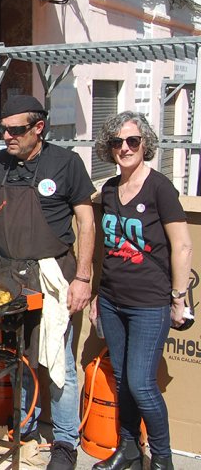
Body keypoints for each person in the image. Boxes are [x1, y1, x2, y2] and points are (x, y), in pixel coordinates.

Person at [0, 95, 95, 470]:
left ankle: (65, 442)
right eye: (3, 129)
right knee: (12, 355)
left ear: (39, 128)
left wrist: (83, 277)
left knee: (56, 359)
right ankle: (22, 427)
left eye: (15, 130)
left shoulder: (66, 163)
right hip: (3, 273)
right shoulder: (0, 163)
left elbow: (86, 221)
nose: (6, 137)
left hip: (48, 276)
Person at [90, 112, 192, 470]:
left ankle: (162, 460)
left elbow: (181, 246)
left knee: (141, 384)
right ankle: (128, 449)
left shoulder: (160, 187)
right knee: (122, 380)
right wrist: (98, 296)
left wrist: (178, 299)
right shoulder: (109, 189)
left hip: (149, 303)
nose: (125, 148)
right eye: (117, 142)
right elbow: (109, 247)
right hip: (114, 301)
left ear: (145, 144)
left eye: (132, 141)